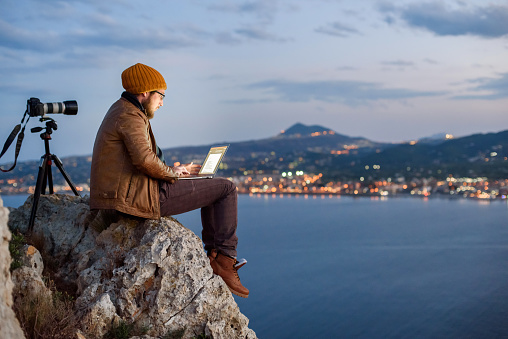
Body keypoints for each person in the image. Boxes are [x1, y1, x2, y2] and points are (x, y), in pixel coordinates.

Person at [90, 63, 249, 298]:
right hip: (136, 200)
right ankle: (224, 260)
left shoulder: (121, 110)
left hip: (129, 194)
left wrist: (175, 169)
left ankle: (217, 256)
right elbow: (144, 161)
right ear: (145, 92)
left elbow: (140, 160)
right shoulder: (130, 115)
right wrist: (172, 174)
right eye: (160, 95)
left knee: (214, 187)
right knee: (226, 188)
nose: (162, 102)